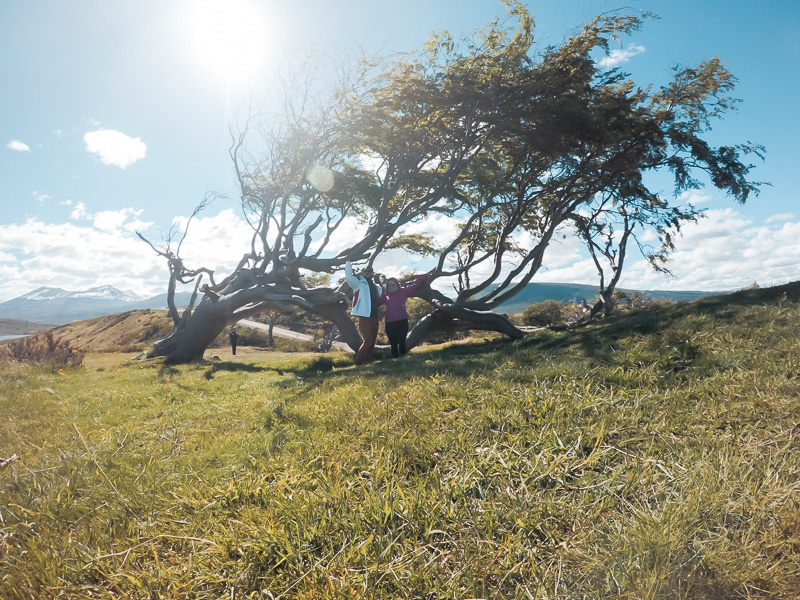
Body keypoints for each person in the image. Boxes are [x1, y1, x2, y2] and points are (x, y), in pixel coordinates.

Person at [379, 273, 428, 358]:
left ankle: (402, 358)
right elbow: (375, 303)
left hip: (402, 321)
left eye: (393, 284)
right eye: (389, 285)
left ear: (397, 285)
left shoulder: (403, 291)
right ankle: (395, 360)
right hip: (390, 323)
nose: (391, 286)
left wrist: (425, 276)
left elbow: (415, 284)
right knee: (393, 343)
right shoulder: (385, 296)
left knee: (402, 341)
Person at [344, 261, 380, 364]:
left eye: (370, 271)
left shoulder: (375, 286)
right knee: (368, 341)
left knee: (372, 341)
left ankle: (368, 361)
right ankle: (358, 361)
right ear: (363, 273)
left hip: (374, 316)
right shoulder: (359, 283)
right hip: (364, 316)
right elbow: (349, 277)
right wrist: (348, 262)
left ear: (372, 273)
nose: (368, 272)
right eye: (366, 271)